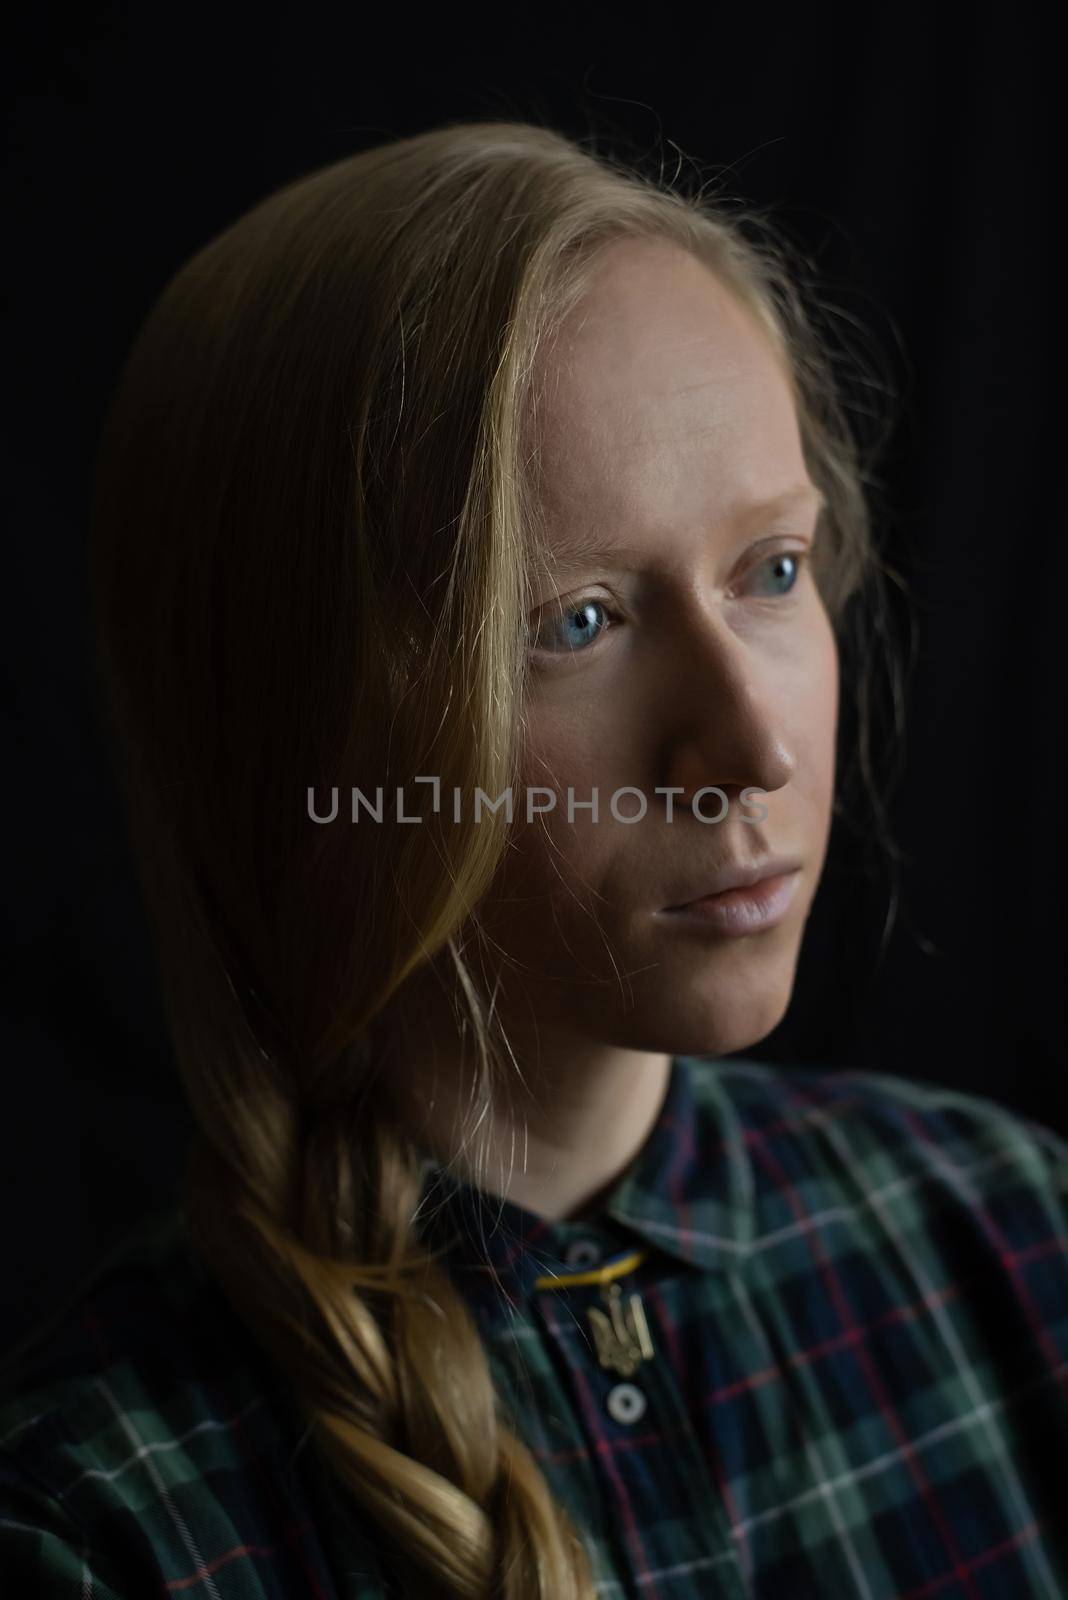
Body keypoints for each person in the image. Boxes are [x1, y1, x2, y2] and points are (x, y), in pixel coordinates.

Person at [1, 119, 1066, 1599]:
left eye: (770, 570)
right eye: (576, 622)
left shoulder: (1016, 1242)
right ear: (305, 737)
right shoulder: (100, 1531)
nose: (752, 752)